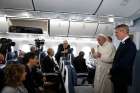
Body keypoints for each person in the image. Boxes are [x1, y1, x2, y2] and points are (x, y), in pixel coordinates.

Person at [110, 24, 137, 93]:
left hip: (122, 77)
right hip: (118, 76)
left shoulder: (130, 45)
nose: (115, 34)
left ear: (123, 31)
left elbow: (125, 63)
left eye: (117, 32)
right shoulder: (123, 43)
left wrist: (112, 69)